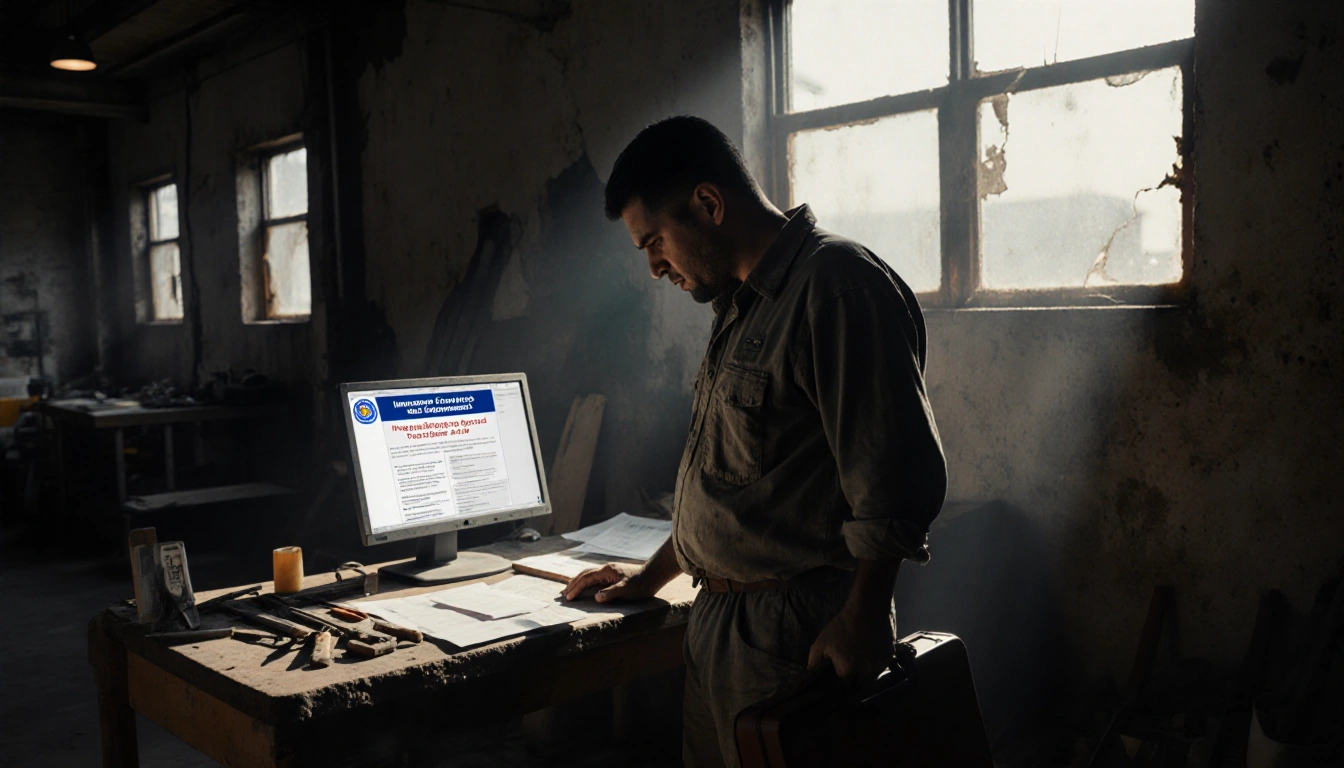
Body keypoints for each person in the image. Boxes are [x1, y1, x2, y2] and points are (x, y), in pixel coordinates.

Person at [561, 116, 947, 768]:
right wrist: (648, 578)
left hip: (793, 635)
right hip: (718, 627)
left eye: (655, 241)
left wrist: (862, 617)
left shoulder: (835, 285)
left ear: (708, 204)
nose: (655, 267)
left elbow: (894, 473)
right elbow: (730, 487)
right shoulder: (742, 308)